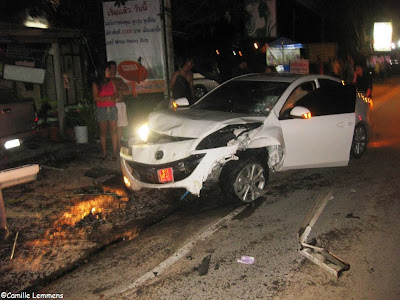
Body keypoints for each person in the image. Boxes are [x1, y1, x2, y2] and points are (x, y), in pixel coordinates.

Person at [92, 63, 119, 160]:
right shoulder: (96, 83)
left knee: (114, 130)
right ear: (103, 72)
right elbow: (95, 97)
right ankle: (104, 152)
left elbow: (116, 94)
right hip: (102, 109)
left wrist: (107, 98)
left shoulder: (112, 82)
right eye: (108, 71)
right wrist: (108, 98)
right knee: (103, 132)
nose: (110, 72)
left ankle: (115, 153)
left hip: (112, 108)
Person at [108, 61, 129, 151]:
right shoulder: (107, 80)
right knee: (113, 126)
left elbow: (126, 88)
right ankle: (114, 145)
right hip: (112, 104)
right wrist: (117, 86)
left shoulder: (118, 79)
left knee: (120, 126)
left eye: (115, 68)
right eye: (112, 68)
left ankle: (119, 144)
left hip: (121, 104)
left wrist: (118, 86)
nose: (114, 70)